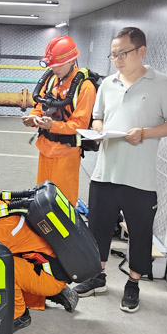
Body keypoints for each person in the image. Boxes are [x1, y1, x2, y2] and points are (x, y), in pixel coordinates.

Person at [72, 27, 167, 313]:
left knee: (140, 232)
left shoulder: (163, 84)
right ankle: (97, 277)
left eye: (122, 53)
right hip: (104, 173)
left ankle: (133, 284)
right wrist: (99, 130)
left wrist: (144, 132)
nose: (117, 60)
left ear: (141, 51)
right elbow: (97, 117)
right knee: (97, 229)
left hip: (140, 178)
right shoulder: (107, 84)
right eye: (113, 55)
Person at [0, 174, 78, 331]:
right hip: (45, 267)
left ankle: (19, 315)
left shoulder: (4, 228)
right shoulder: (4, 205)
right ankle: (50, 292)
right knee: (7, 258)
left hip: (50, 277)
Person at [22, 35, 97, 206]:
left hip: (66, 154)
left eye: (58, 65)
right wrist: (33, 117)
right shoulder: (51, 80)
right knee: (42, 199)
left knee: (62, 203)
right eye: (52, 65)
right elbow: (39, 104)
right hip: (45, 149)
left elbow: (80, 125)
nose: (54, 68)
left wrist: (52, 125)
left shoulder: (85, 87)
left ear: (72, 60)